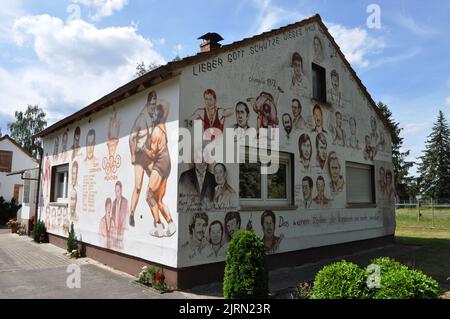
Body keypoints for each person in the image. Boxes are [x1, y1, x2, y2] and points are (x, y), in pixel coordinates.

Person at [128, 91, 168, 226]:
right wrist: (133, 154)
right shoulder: (141, 118)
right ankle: (132, 213)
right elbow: (131, 137)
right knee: (138, 186)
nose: (153, 107)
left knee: (156, 182)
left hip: (149, 156)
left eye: (154, 104)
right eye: (151, 104)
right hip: (139, 156)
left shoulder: (154, 117)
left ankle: (157, 216)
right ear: (147, 104)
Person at [142, 101, 176, 237]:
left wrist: (143, 147)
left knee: (149, 196)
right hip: (167, 163)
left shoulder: (156, 131)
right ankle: (171, 224)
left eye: (153, 114)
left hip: (161, 162)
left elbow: (152, 154)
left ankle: (159, 227)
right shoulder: (163, 126)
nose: (151, 116)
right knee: (158, 199)